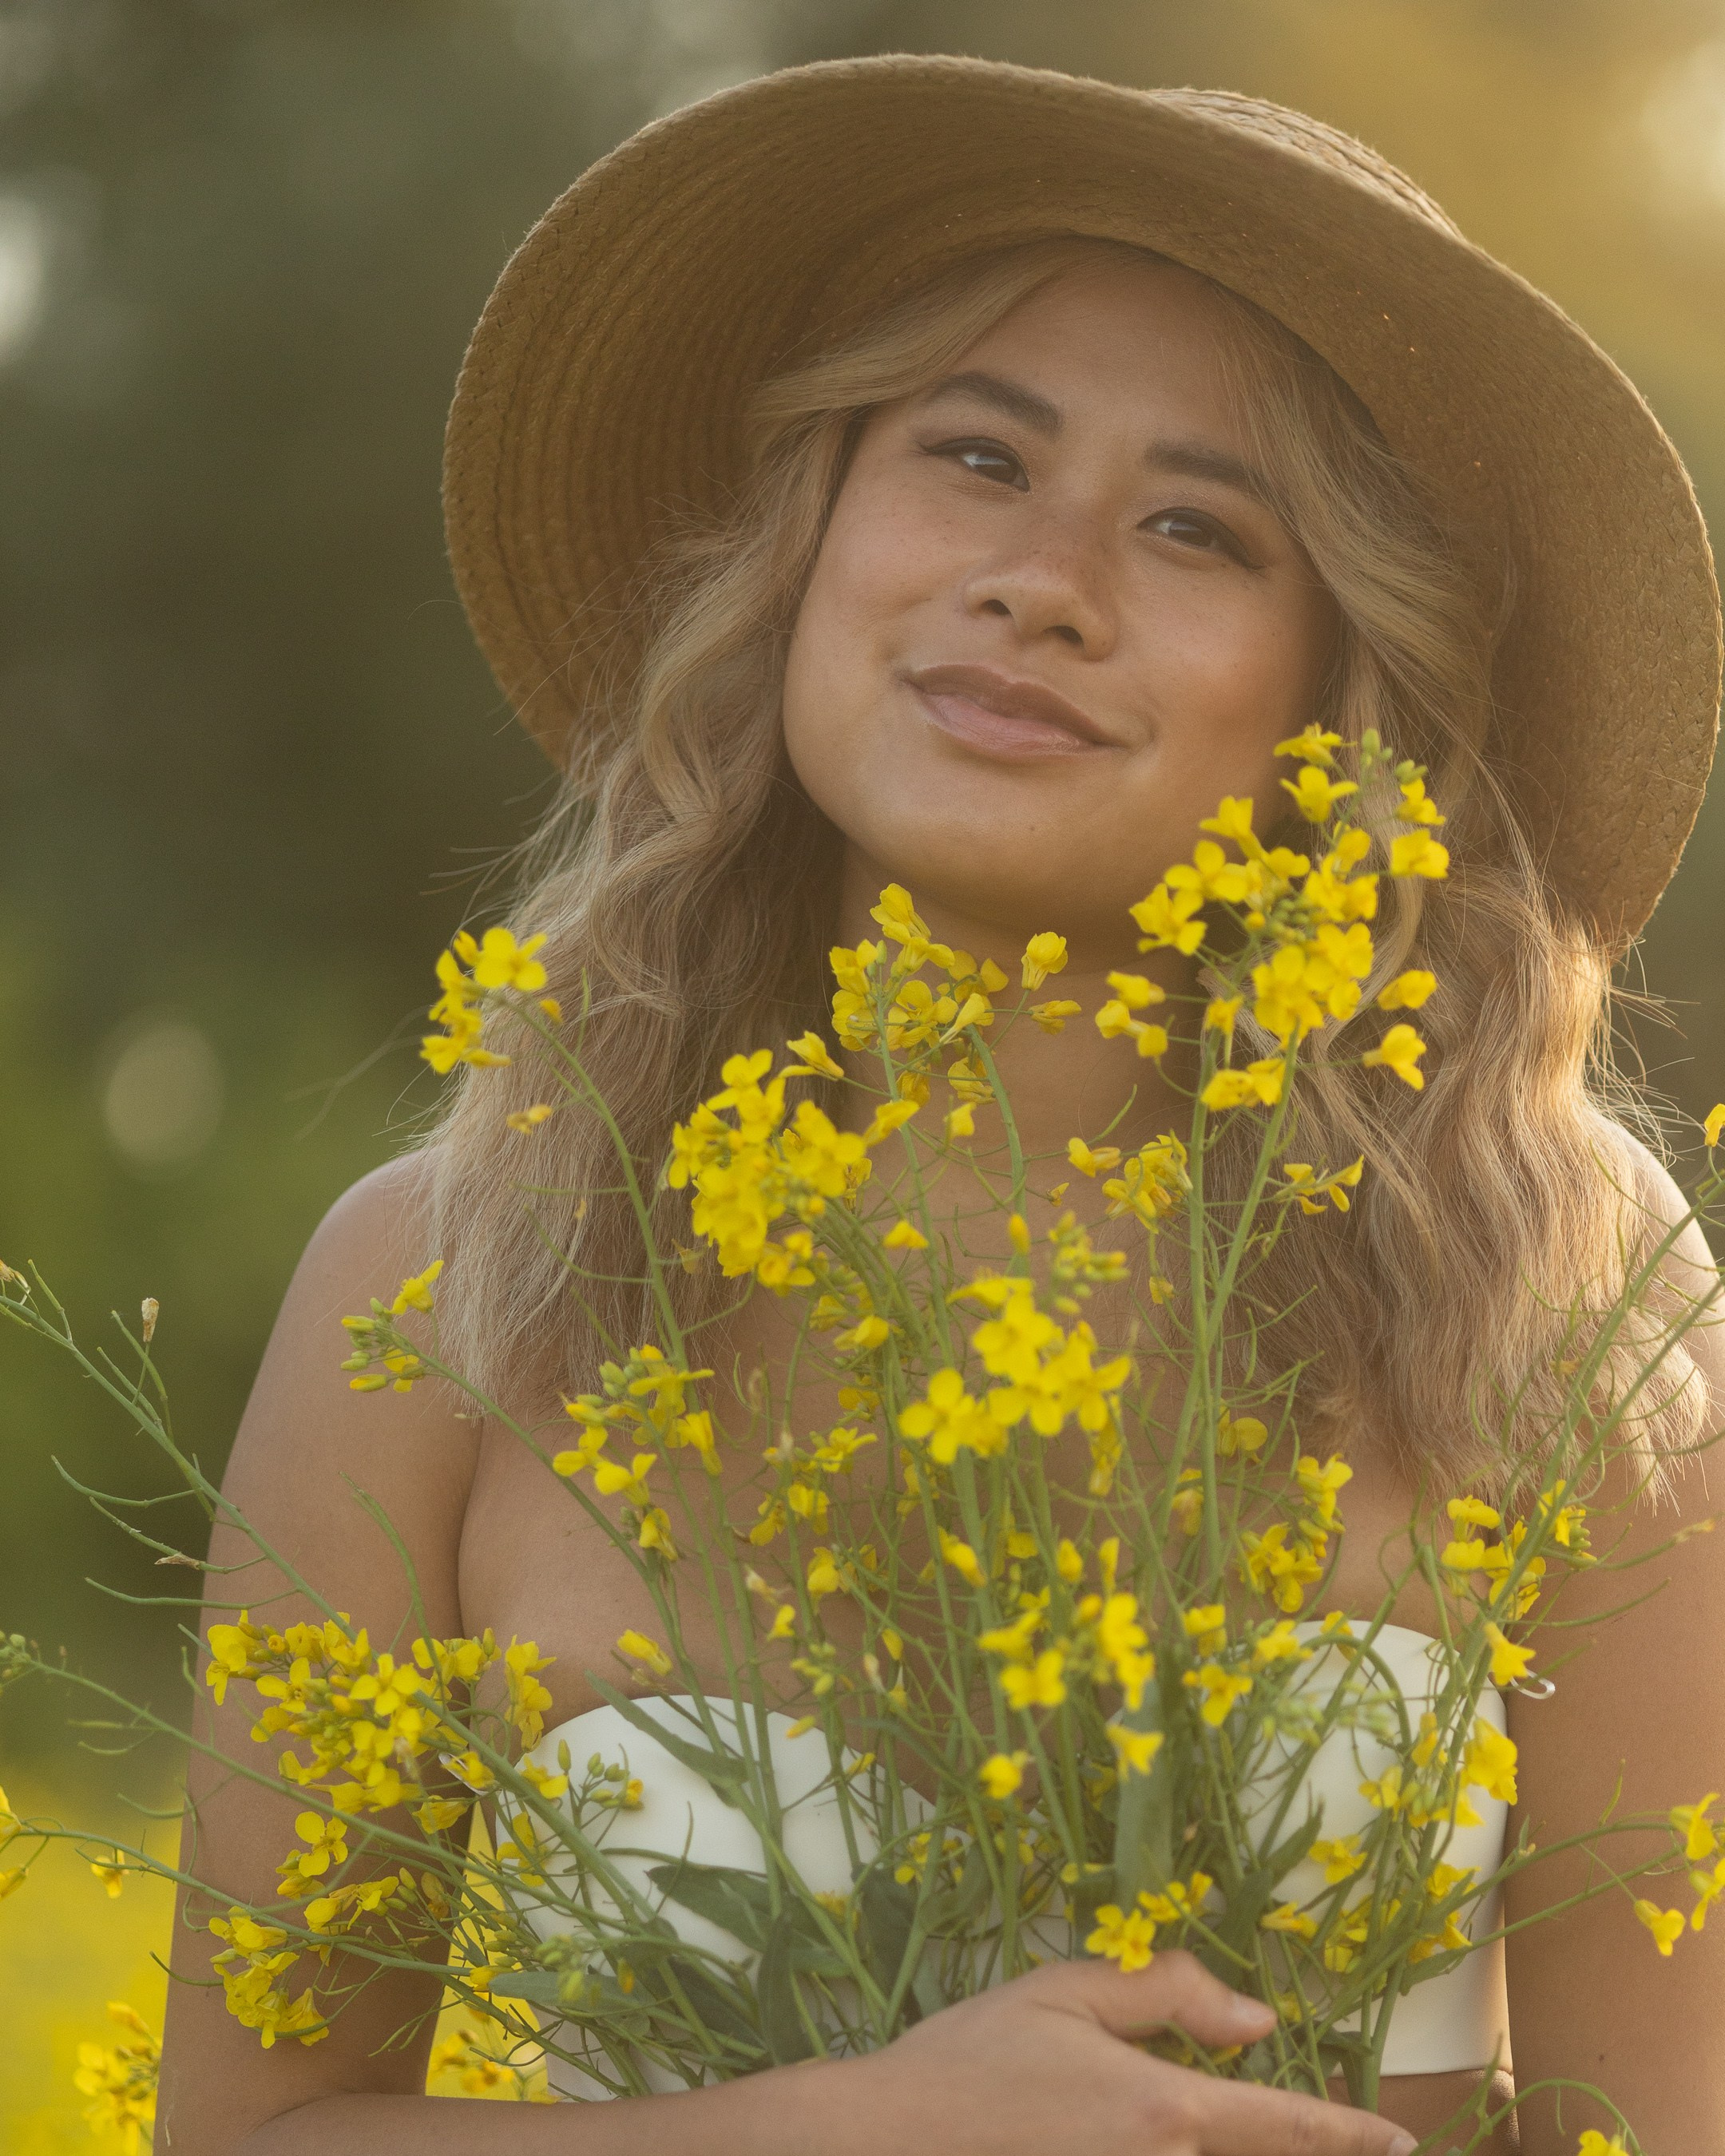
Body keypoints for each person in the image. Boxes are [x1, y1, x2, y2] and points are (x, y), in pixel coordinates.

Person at [158, 57, 1725, 2156]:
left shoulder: (1557, 1270)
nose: (1048, 575)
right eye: (975, 454)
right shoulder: (457, 1273)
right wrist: (843, 2122)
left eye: (1196, 523)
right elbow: (248, 2130)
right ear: (809, 543)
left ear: (1341, 692)